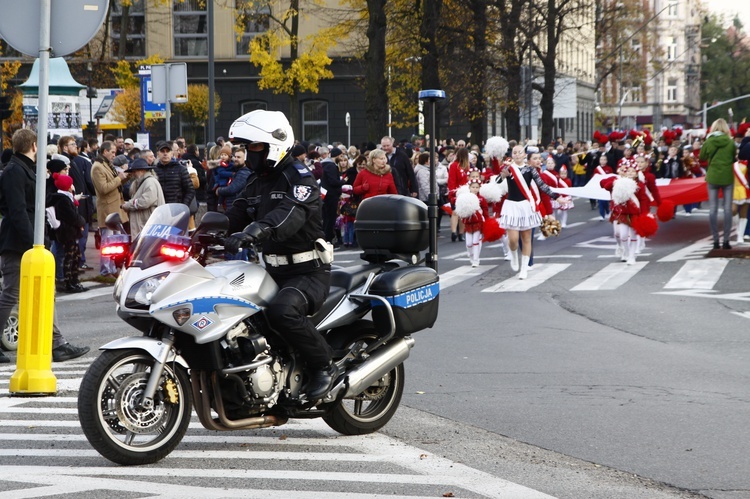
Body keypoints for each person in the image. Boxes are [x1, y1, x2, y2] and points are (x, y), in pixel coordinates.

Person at [222, 109, 337, 400]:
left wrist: (257, 231)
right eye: (246, 148)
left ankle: (324, 366)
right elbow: (233, 214)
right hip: (271, 271)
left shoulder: (299, 178)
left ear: (276, 144)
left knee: (282, 311)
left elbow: (290, 216)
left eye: (255, 147)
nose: (250, 154)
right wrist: (199, 232)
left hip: (307, 271)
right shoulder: (254, 181)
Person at [0, 129, 90, 363]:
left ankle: (57, 343)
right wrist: (34, 243)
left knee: (43, 292)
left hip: (28, 242)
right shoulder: (14, 171)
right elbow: (18, 210)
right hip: (20, 244)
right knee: (11, 294)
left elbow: (36, 203)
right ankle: (57, 343)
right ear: (33, 146)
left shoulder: (26, 169)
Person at [495, 146, 563, 279]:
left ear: (524, 155)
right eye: (514, 153)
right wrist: (503, 174)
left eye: (519, 152)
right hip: (512, 206)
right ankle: (514, 255)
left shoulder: (530, 169)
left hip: (526, 206)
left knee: (526, 238)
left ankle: (524, 268)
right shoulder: (509, 168)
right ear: (512, 155)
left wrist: (556, 196)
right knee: (513, 239)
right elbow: (497, 181)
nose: (517, 155)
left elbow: (542, 185)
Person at [92, 140, 129, 276]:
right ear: (105, 151)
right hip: (107, 209)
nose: (114, 155)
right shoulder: (98, 167)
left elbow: (114, 184)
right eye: (112, 152)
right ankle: (106, 270)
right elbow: (104, 188)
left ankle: (112, 268)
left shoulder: (106, 164)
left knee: (116, 242)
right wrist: (119, 179)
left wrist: (125, 177)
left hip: (114, 209)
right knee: (107, 242)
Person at [700, 118, 737, 249]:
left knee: (713, 209)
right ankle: (726, 241)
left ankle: (716, 241)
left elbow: (702, 157)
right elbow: (734, 158)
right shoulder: (730, 142)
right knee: (727, 209)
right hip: (727, 177)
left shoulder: (708, 142)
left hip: (713, 176)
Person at [47, 173, 86, 293]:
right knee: (69, 258)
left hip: (70, 232)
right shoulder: (63, 200)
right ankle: (68, 282)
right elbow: (71, 216)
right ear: (68, 186)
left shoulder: (66, 198)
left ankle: (73, 280)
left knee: (75, 256)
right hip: (67, 233)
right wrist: (81, 222)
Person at [120, 158, 165, 239]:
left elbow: (144, 202)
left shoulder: (150, 182)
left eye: (134, 171)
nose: (133, 174)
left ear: (142, 171)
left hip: (148, 226)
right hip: (144, 225)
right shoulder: (142, 182)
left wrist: (128, 205)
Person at [455, 178, 489, 267]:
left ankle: (476, 260)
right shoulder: (465, 198)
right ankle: (471, 255)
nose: (475, 189)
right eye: (473, 187)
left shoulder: (481, 199)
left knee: (476, 241)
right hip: (468, 223)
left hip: (478, 222)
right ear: (469, 188)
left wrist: (487, 221)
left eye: (477, 187)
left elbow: (485, 210)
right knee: (468, 243)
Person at [320, 147, 348, 245]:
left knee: (326, 217)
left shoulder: (324, 165)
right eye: (340, 156)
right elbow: (333, 181)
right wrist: (343, 181)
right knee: (330, 218)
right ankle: (328, 238)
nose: (341, 158)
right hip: (331, 195)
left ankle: (325, 237)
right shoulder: (331, 166)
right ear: (336, 155)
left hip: (325, 194)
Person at [448, 147, 471, 242]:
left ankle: (461, 233)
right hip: (457, 192)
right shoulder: (454, 166)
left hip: (465, 192)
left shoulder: (467, 167)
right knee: (455, 213)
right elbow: (452, 181)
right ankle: (454, 232)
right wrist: (452, 193)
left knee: (462, 214)